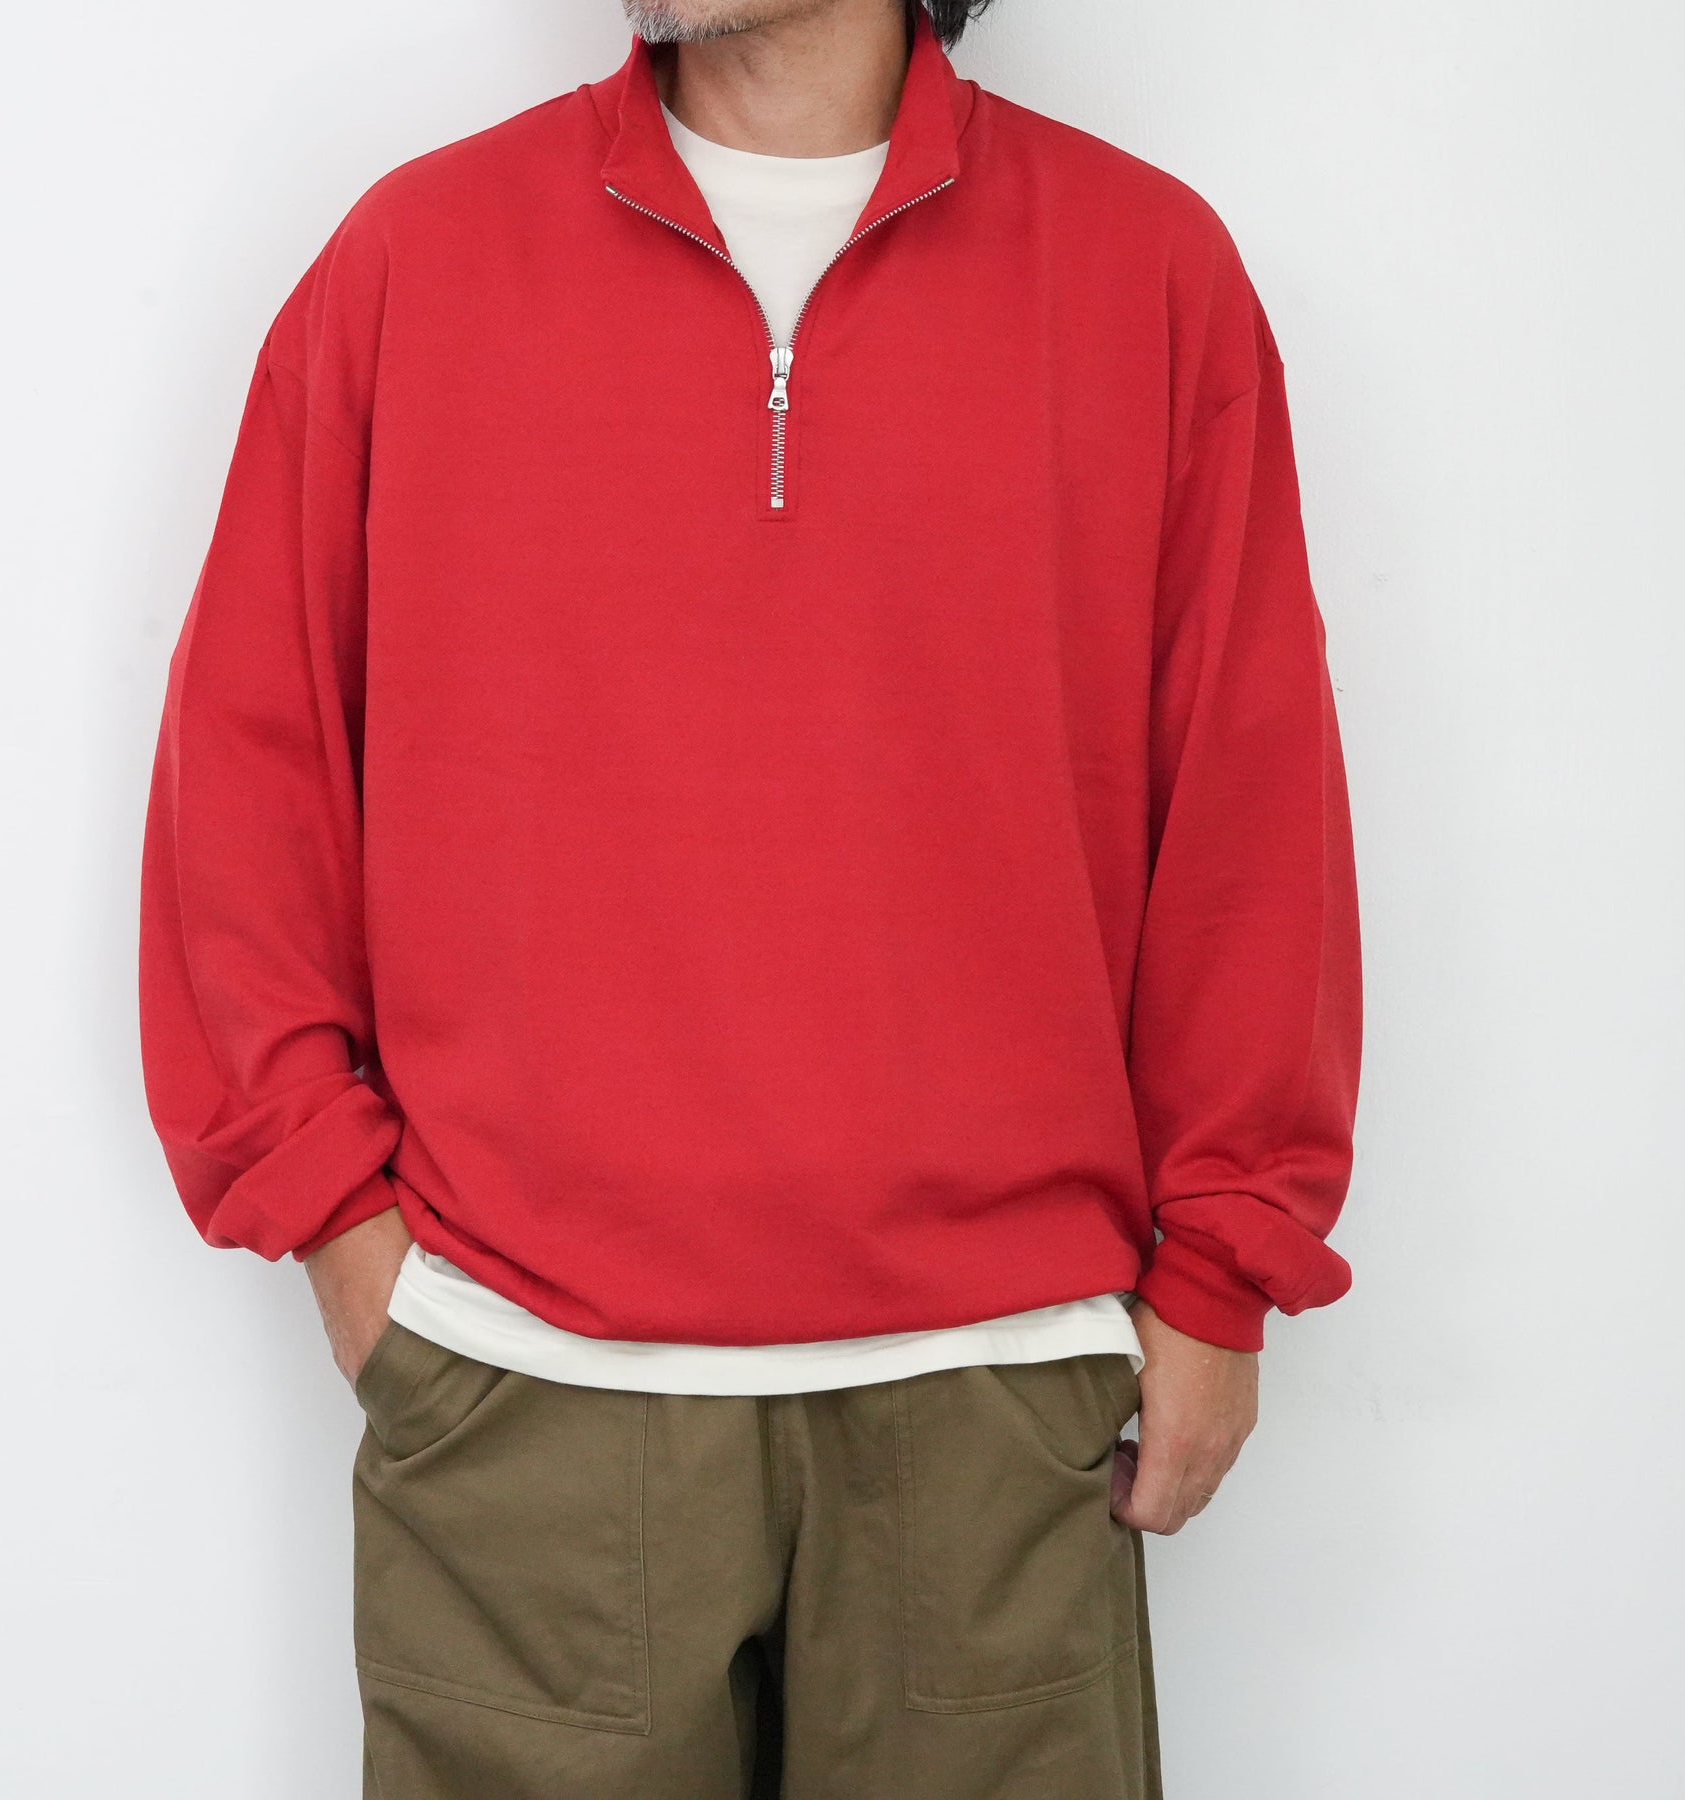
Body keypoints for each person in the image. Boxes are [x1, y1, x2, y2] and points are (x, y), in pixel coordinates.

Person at [139, 0, 1361, 1792]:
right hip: (525, 1391)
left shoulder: (1145, 272)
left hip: (996, 1400)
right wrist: (339, 1233)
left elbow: (1248, 809)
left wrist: (1222, 1272)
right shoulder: (417, 256)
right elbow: (248, 779)